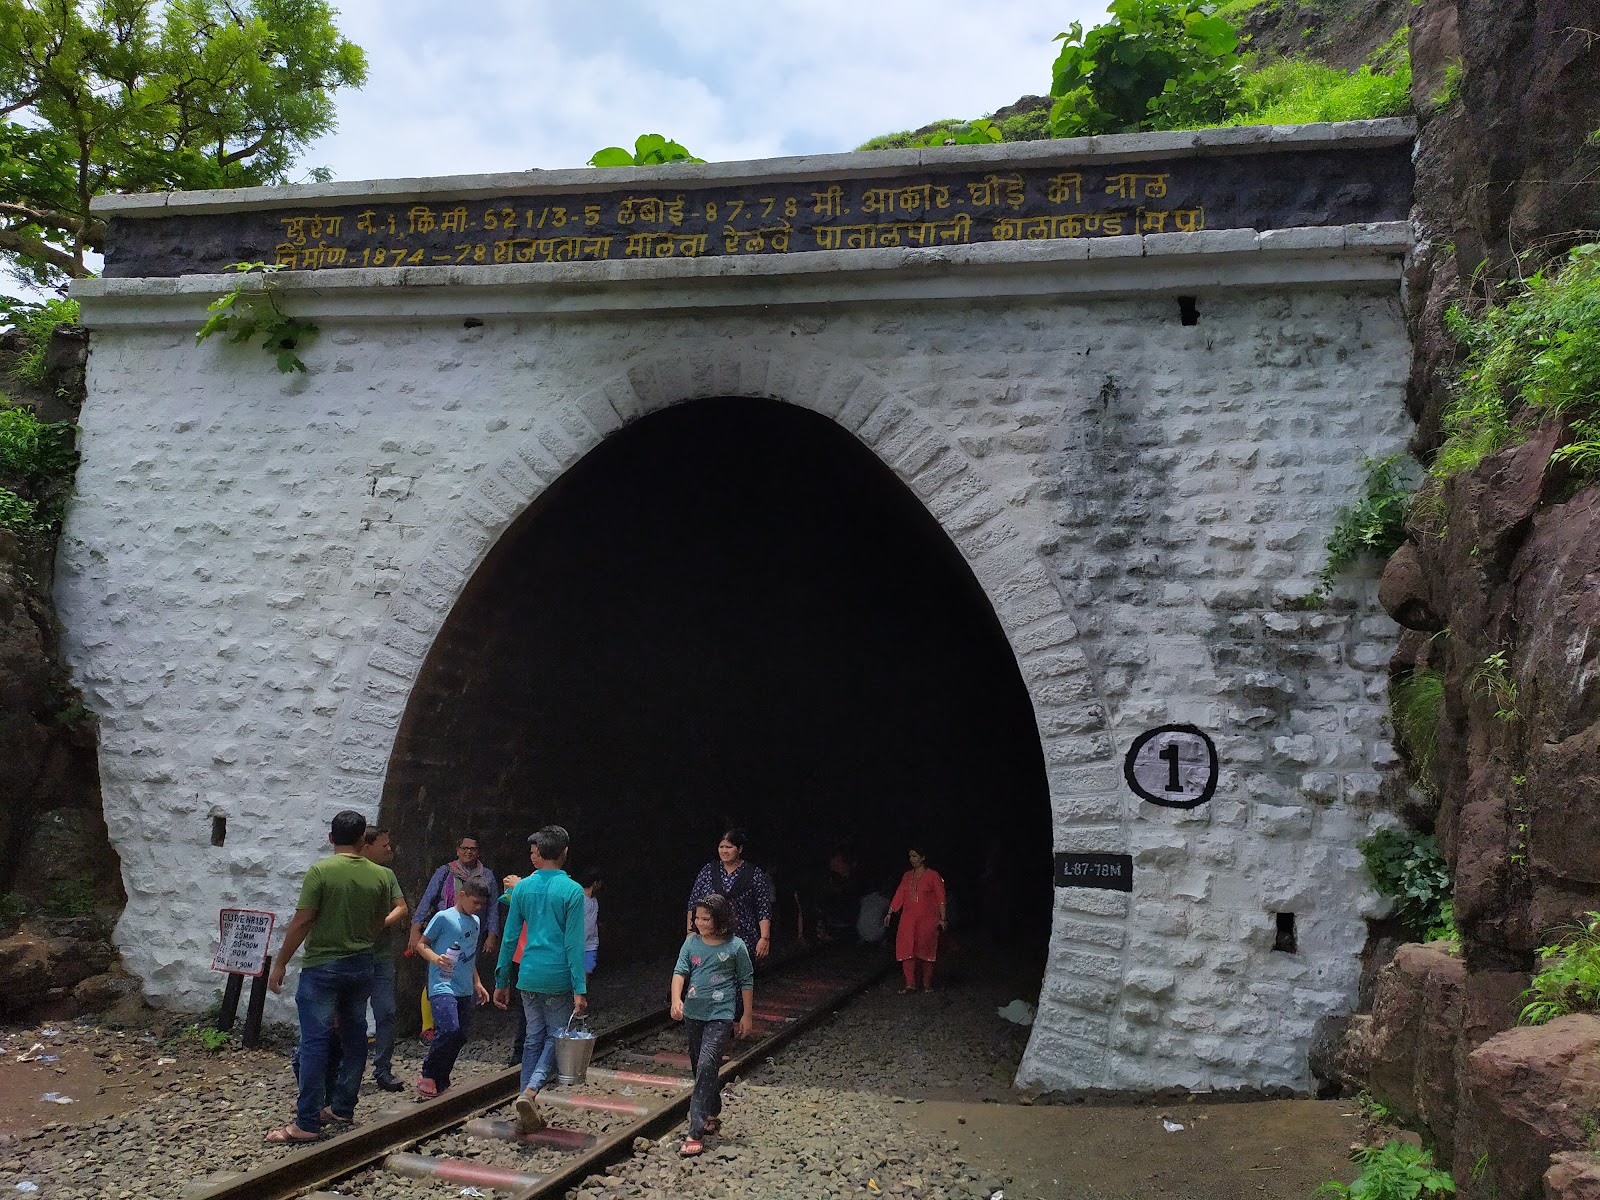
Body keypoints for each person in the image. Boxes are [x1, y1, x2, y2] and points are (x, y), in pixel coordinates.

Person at [265, 809, 394, 1144]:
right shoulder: (380, 876)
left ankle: (307, 1121)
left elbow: (303, 920)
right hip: (362, 964)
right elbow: (379, 921)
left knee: (315, 1042)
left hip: (323, 966)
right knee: (355, 1037)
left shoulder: (321, 871)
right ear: (362, 838)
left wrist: (280, 963)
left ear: (331, 837)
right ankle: (342, 1107)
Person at [493, 825, 588, 1134]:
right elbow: (574, 944)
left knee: (533, 1037)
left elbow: (509, 937)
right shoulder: (572, 891)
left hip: (529, 972)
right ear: (564, 852)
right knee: (557, 1036)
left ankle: (525, 1102)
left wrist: (501, 979)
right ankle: (531, 1090)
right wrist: (580, 987)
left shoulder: (521, 888)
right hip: (557, 974)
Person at [670, 894, 753, 1158]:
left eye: (706, 918)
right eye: (698, 918)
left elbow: (746, 980)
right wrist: (676, 999)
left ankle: (695, 1130)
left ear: (720, 919)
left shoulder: (736, 946)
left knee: (707, 1064)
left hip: (721, 1014)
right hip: (694, 1013)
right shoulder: (691, 943)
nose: (700, 922)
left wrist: (747, 1015)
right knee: (700, 1067)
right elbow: (680, 971)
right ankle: (712, 1110)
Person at [415, 877, 492, 1097]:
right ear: (462, 895)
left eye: (482, 904)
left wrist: (477, 982)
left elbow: (470, 955)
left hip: (464, 987)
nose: (478, 908)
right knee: (449, 1028)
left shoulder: (475, 922)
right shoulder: (444, 917)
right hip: (442, 984)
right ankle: (428, 1073)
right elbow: (422, 944)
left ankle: (442, 1079)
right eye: (475, 902)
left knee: (461, 1035)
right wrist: (435, 959)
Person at [411, 836, 501, 981]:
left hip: (472, 933)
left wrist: (491, 936)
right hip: (445, 931)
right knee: (441, 969)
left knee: (467, 970)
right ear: (457, 850)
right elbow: (427, 899)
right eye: (464, 848)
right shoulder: (445, 872)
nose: (468, 852)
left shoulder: (486, 875)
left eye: (473, 849)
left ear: (479, 852)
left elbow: (492, 907)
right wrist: (415, 929)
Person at [360, 827, 409, 1091]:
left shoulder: (387, 875)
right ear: (367, 847)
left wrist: (382, 923)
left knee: (386, 1012)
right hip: (355, 956)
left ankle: (382, 1068)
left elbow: (401, 907)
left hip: (380, 957)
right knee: (350, 1014)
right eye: (384, 845)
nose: (390, 849)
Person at [686, 828, 774, 962]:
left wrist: (764, 938)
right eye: (721, 847)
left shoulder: (754, 874)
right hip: (709, 938)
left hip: (743, 939)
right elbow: (693, 903)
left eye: (729, 847)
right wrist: (690, 932)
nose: (724, 851)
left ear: (739, 849)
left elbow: (763, 908)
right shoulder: (708, 871)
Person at [884, 846, 948, 994]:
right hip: (908, 919)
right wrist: (890, 912)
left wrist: (943, 918)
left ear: (923, 857)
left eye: (915, 856)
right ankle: (910, 984)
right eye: (910, 856)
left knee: (927, 950)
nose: (911, 859)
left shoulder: (933, 875)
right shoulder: (907, 876)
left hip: (928, 920)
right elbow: (900, 894)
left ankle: (927, 984)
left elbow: (941, 898)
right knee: (907, 949)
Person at [579, 868, 603, 977]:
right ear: (595, 882)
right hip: (576, 944)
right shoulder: (578, 899)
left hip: (590, 944)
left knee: (586, 975)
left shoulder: (594, 900)